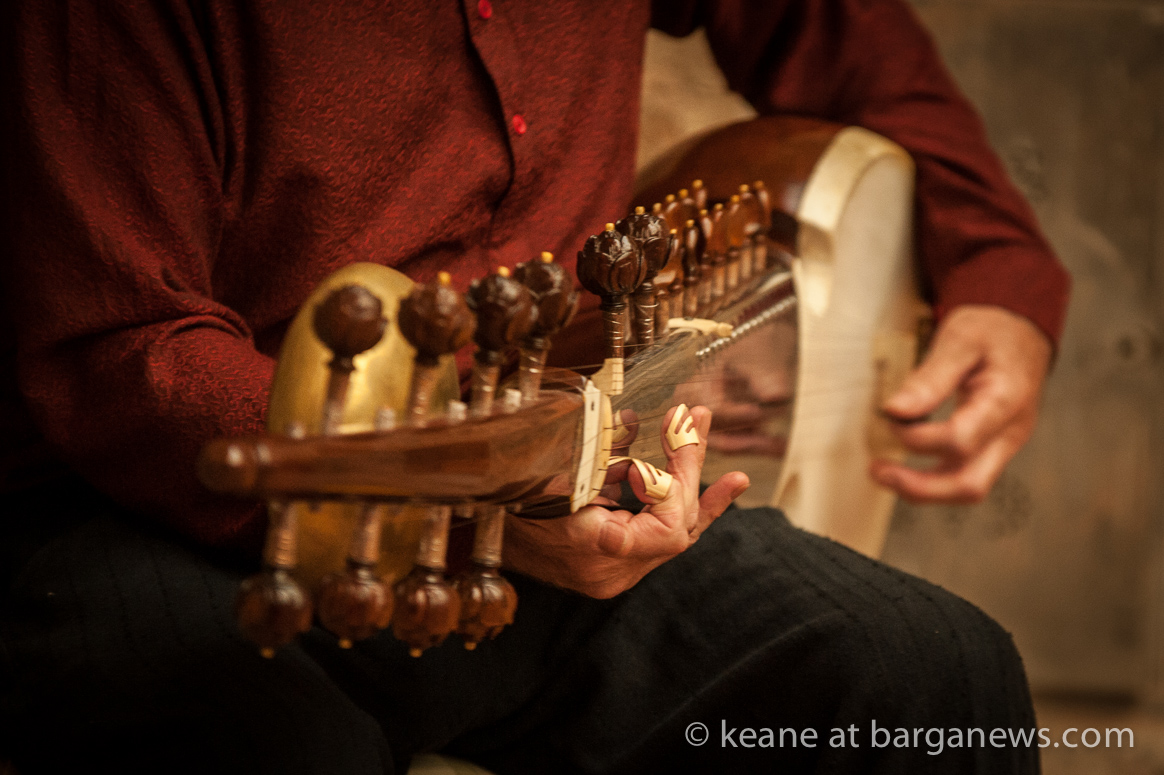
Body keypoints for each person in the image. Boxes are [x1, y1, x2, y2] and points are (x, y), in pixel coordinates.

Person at [0, 1, 1069, 773]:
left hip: (553, 475)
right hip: (162, 513)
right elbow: (114, 348)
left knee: (930, 680)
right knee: (269, 746)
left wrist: (997, 271)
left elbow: (827, 21)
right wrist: (467, 505)